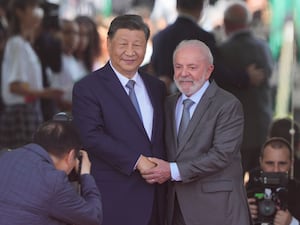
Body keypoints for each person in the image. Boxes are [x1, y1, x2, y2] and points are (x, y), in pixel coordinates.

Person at [141, 40, 250, 225]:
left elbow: (221, 155)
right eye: (178, 67)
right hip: (175, 209)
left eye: (192, 67)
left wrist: (172, 170)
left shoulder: (227, 105)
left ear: (209, 70)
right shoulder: (168, 104)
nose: (184, 74)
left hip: (216, 210)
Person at [72, 14, 167, 225]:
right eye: (123, 44)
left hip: (158, 199)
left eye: (138, 45)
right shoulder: (88, 87)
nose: (130, 52)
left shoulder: (157, 87)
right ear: (108, 43)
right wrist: (136, 160)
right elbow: (90, 136)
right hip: (116, 197)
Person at [0, 119, 103, 225]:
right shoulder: (53, 181)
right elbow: (93, 218)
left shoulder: (5, 156)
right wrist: (85, 175)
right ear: (71, 155)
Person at [215, 1, 273, 174]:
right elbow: (268, 75)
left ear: (226, 24)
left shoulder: (222, 52)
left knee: (234, 186)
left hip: (234, 132)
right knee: (259, 185)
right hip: (262, 126)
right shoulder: (264, 47)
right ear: (248, 23)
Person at [0, 0, 63, 149]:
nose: (38, 12)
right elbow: (14, 87)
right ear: (20, 12)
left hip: (29, 110)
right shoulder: (16, 43)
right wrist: (45, 93)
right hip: (20, 113)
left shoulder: (24, 43)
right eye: (33, 7)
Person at [150, 0, 217, 93]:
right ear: (201, 7)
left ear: (177, 6)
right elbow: (215, 72)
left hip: (161, 98)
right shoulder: (204, 37)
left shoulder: (160, 36)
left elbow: (153, 69)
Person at [246, 137, 300, 225]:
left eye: (282, 163)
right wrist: (242, 214)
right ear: (261, 162)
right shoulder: (246, 192)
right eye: (270, 163)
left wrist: (292, 222)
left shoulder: (297, 192)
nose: (276, 170)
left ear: (291, 163)